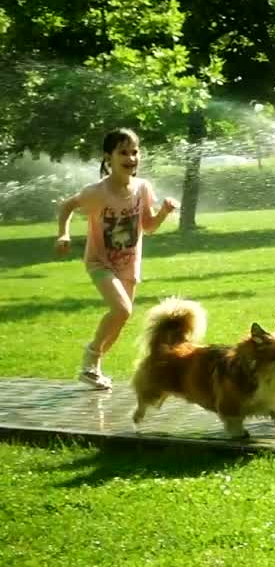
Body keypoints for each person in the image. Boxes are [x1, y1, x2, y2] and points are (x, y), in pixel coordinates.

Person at [54, 127, 178, 389]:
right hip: (100, 261)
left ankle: (91, 368)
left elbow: (148, 226)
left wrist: (164, 212)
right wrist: (64, 234)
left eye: (135, 152)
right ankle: (90, 360)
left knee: (121, 319)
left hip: (129, 264)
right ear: (108, 157)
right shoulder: (97, 192)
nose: (131, 158)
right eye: (123, 152)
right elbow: (67, 206)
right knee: (122, 309)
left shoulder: (142, 188)